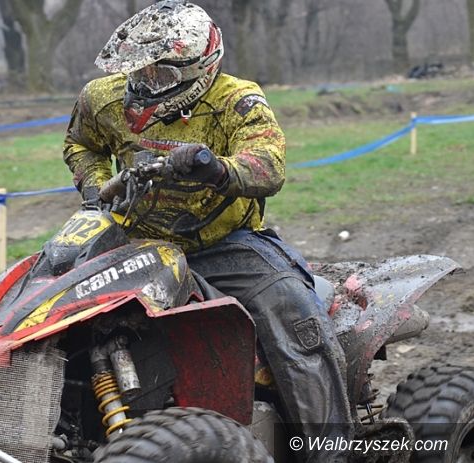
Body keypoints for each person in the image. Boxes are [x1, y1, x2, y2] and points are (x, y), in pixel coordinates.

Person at [63, 1, 353, 461]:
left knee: (295, 316)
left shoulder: (237, 100)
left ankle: (332, 450)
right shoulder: (102, 97)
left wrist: (217, 169)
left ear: (199, 69)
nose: (145, 83)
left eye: (159, 74)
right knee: (54, 296)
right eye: (139, 71)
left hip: (223, 243)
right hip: (133, 238)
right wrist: (97, 187)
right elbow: (80, 143)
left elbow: (269, 164)